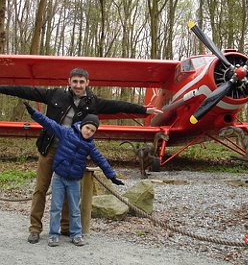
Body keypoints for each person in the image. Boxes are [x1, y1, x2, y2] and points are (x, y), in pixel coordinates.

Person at [0, 68, 163, 244]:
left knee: (68, 190)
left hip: (72, 154)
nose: (78, 85)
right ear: (69, 81)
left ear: (87, 83)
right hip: (49, 148)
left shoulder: (93, 103)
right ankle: (35, 229)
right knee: (40, 189)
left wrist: (144, 110)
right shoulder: (55, 95)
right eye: (75, 81)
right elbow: (27, 91)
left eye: (81, 82)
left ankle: (65, 227)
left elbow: (118, 105)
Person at [24, 101, 124, 247]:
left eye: (92, 131)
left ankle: (76, 234)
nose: (88, 131)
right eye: (87, 127)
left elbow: (101, 160)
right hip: (59, 177)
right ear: (82, 125)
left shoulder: (90, 145)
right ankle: (53, 234)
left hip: (74, 181)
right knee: (56, 207)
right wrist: (34, 113)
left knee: (74, 208)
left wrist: (112, 175)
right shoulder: (66, 133)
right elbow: (49, 123)